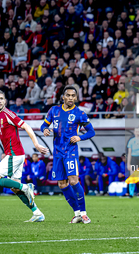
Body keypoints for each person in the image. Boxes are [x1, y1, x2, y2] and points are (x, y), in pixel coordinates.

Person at [0, 90, 48, 222]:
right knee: (14, 187)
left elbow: (27, 127)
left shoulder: (9, 114)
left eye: (2, 98)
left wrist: (37, 144)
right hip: (15, 155)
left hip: (14, 154)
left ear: (5, 101)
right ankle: (37, 213)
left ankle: (26, 187)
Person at [40, 86, 95, 224]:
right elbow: (43, 126)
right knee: (62, 184)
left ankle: (84, 213)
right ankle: (76, 214)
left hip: (70, 151)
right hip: (57, 152)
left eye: (73, 96)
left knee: (73, 180)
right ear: (63, 97)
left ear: (76, 98)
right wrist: (45, 130)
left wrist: (79, 137)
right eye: (68, 95)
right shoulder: (54, 110)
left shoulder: (79, 113)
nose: (70, 98)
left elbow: (91, 132)